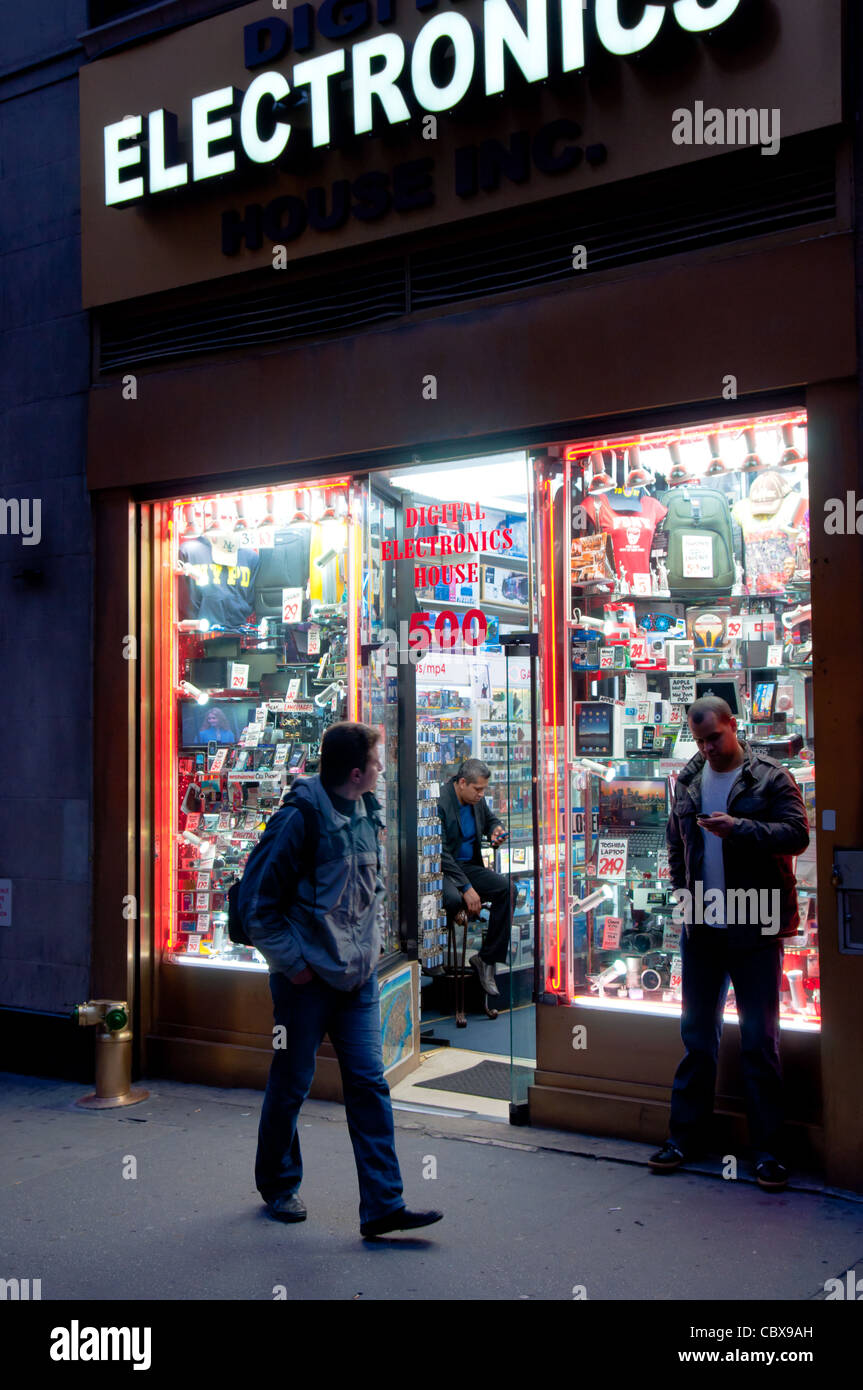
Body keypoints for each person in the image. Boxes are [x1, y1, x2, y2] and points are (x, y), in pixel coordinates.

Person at [239, 720, 442, 1239]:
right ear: (356, 772)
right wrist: (297, 965)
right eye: (377, 761)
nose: (382, 768)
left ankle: (382, 1205)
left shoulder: (368, 810)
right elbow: (258, 909)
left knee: (370, 1084)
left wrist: (368, 954)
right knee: (292, 1083)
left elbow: (364, 895)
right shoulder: (299, 819)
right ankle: (278, 1184)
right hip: (305, 984)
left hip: (357, 980)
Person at [649, 695, 810, 1193]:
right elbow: (676, 842)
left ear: (732, 726)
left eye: (714, 737)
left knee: (760, 1042)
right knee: (698, 1037)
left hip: (754, 921)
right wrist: (682, 897)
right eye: (699, 740)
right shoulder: (690, 779)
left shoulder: (770, 776)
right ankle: (684, 1138)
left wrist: (740, 829)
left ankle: (767, 1152)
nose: (708, 747)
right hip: (702, 922)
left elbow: (798, 835)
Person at [438, 758, 512, 998]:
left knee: (508, 890)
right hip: (445, 869)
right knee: (451, 899)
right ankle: (433, 958)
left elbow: (490, 820)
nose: (481, 794)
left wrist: (495, 830)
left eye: (483, 789)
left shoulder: (476, 802)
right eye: (477, 789)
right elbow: (440, 852)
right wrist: (466, 888)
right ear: (461, 783)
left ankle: (486, 959)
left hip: (469, 866)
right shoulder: (441, 802)